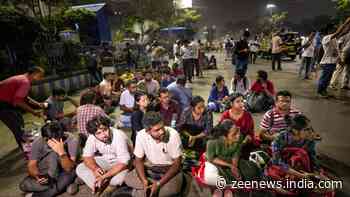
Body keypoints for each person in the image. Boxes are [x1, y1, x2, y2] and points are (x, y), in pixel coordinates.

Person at [125, 112, 183, 197]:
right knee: (127, 179)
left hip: (169, 170)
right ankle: (149, 187)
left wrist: (159, 184)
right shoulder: (141, 136)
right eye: (157, 130)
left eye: (162, 127)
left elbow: (177, 165)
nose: (162, 131)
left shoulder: (173, 135)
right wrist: (144, 181)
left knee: (173, 189)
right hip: (151, 168)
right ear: (148, 131)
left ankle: (144, 191)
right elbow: (138, 160)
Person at [20, 121, 78, 197]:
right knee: (23, 185)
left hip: (65, 170)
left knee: (70, 174)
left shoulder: (72, 140)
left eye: (59, 138)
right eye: (53, 140)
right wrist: (37, 176)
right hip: (48, 171)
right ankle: (65, 185)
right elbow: (31, 165)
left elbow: (69, 168)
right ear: (45, 139)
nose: (56, 142)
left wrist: (62, 153)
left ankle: (37, 195)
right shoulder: (38, 141)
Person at [76, 115, 130, 196]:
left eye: (105, 130)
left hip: (123, 164)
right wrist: (95, 169)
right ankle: (100, 184)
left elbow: (124, 163)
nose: (103, 135)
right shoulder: (92, 137)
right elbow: (87, 156)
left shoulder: (119, 136)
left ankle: (104, 182)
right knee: (80, 167)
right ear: (94, 134)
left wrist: (104, 176)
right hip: (106, 160)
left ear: (108, 127)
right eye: (98, 133)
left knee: (116, 181)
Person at [204, 120, 260, 197]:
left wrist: (234, 167)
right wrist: (229, 165)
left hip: (230, 160)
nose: (238, 135)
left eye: (238, 131)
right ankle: (224, 189)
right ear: (224, 136)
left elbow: (236, 154)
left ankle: (230, 187)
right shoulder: (212, 142)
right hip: (215, 162)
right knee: (210, 178)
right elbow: (211, 158)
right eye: (234, 134)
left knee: (252, 171)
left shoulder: (239, 137)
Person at [0, 66, 46, 149]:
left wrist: (38, 104)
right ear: (34, 74)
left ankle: (24, 145)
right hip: (4, 106)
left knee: (19, 123)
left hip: (5, 104)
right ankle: (27, 150)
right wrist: (34, 112)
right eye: (40, 76)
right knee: (18, 128)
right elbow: (18, 101)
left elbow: (24, 97)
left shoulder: (21, 78)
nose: (40, 79)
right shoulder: (25, 82)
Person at [269, 114, 320, 180]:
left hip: (300, 168)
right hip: (285, 167)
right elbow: (277, 161)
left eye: (311, 128)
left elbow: (313, 159)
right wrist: (300, 175)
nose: (311, 132)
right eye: (307, 129)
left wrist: (314, 173)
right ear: (295, 131)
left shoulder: (309, 140)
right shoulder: (280, 138)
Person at [317, 23, 347, 97]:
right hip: (327, 62)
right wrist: (347, 22)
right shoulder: (326, 37)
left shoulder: (334, 39)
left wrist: (339, 60)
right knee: (325, 78)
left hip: (332, 62)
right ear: (329, 30)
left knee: (328, 78)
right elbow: (339, 32)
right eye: (334, 28)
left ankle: (324, 90)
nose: (335, 29)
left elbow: (344, 32)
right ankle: (320, 91)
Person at [330, 18, 350, 90]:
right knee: (340, 68)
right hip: (344, 52)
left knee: (348, 69)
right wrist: (339, 52)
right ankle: (332, 83)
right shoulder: (346, 33)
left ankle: (345, 84)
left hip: (347, 53)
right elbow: (339, 43)